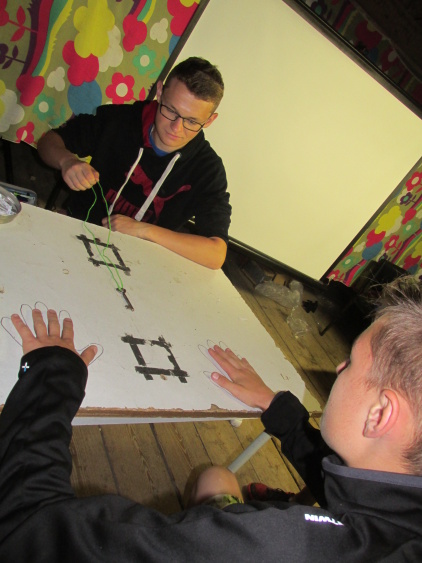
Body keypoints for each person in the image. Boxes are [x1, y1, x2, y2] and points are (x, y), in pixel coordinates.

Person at [1, 278, 422, 561]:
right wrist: (277, 407)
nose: (338, 368)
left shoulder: (275, 546)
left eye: (350, 363)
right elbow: (338, 481)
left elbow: (30, 527)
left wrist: (52, 375)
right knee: (216, 478)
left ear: (380, 414)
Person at [37, 57, 231, 270]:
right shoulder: (121, 120)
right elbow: (49, 142)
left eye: (192, 121)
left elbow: (216, 253)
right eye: (171, 111)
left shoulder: (208, 170)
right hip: (76, 229)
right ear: (160, 92)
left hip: (137, 262)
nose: (176, 128)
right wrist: (66, 161)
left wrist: (143, 230)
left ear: (209, 121)